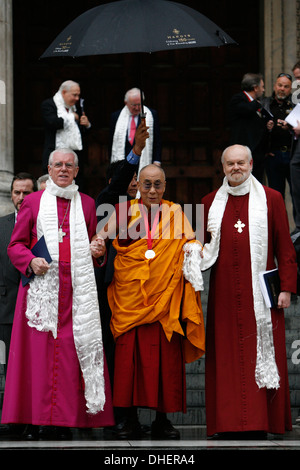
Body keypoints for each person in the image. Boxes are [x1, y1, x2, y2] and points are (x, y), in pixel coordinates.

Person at [1, 149, 114, 440]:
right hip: (43, 292)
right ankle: (39, 420)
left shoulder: (87, 204)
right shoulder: (33, 202)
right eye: (58, 165)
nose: (63, 169)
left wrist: (99, 252)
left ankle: (66, 420)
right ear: (49, 170)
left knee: (70, 359)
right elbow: (16, 245)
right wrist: (30, 261)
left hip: (76, 293)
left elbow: (95, 245)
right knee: (38, 360)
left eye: (69, 165)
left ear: (76, 171)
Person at [92, 164, 205, 440]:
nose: (152, 190)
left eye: (157, 184)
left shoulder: (176, 212)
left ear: (165, 186)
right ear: (137, 185)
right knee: (128, 363)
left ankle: (162, 421)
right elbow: (100, 239)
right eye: (147, 184)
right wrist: (97, 246)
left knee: (165, 364)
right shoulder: (122, 211)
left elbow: (192, 243)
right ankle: (128, 419)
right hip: (129, 300)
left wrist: (194, 249)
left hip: (164, 299)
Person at [200, 144, 297, 438]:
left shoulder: (272, 198)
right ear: (223, 167)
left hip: (263, 296)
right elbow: (194, 247)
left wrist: (287, 288)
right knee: (225, 358)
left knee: (263, 352)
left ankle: (262, 421)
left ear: (252, 163)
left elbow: (285, 247)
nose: (236, 168)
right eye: (230, 164)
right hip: (224, 298)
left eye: (241, 163)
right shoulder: (207, 202)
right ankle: (227, 423)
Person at [94, 123, 149, 431]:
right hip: (112, 292)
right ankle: (115, 417)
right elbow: (116, 186)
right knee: (116, 355)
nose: (132, 183)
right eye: (127, 178)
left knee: (136, 357)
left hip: (141, 294)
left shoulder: (146, 207)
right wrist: (136, 152)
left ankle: (133, 415)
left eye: (135, 179)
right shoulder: (108, 201)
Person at [0, 173, 37, 439]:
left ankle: (33, 420)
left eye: (26, 192)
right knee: (9, 370)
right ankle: (10, 419)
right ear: (11, 195)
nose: (22, 198)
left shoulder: (42, 224)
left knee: (32, 369)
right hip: (5, 308)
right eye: (17, 193)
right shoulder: (0, 226)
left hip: (36, 307)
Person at [41, 80, 91, 189]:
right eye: (74, 95)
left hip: (74, 158)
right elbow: (52, 123)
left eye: (78, 95)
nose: (77, 98)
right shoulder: (49, 105)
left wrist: (86, 125)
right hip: (54, 154)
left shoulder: (75, 108)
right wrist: (71, 117)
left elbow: (81, 134)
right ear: (64, 92)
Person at [228, 73, 274, 183]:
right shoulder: (238, 99)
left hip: (258, 154)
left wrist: (267, 125)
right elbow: (245, 110)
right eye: (262, 87)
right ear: (255, 87)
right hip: (243, 153)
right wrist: (256, 104)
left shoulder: (257, 103)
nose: (263, 90)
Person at [109, 88, 161, 171]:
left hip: (143, 160)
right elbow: (111, 142)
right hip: (123, 159)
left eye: (139, 104)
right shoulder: (116, 116)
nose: (137, 108)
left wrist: (157, 161)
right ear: (126, 103)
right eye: (134, 105)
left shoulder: (151, 115)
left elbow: (157, 140)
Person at [261, 73, 295, 199]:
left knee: (297, 194)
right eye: (280, 85)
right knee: (276, 196)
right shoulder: (265, 104)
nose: (282, 89)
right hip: (273, 155)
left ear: (290, 89)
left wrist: (290, 128)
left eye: (286, 86)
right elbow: (257, 128)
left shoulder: (296, 106)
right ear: (275, 86)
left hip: (293, 155)